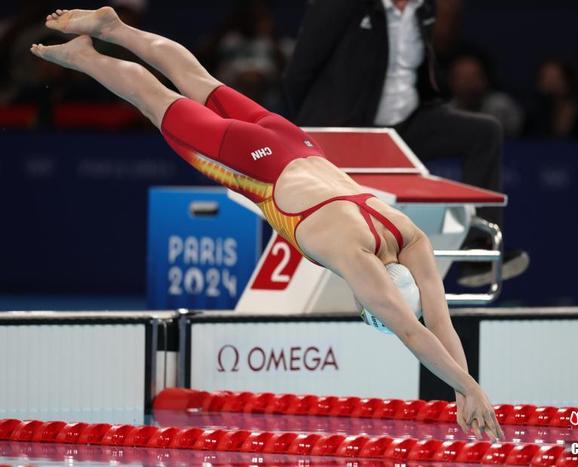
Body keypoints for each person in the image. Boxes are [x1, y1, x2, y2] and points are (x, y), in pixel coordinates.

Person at [30, 6, 503, 440]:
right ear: (372, 296)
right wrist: (470, 387)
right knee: (154, 98)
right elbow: (414, 331)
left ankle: (118, 28)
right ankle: (86, 56)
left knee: (197, 78)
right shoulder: (354, 258)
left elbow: (438, 320)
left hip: (292, 143)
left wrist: (466, 388)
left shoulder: (407, 234)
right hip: (249, 162)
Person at [283, 0, 529, 288]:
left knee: (484, 133)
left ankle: (478, 253)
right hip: (352, 131)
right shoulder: (341, 6)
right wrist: (316, 136)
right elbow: (297, 74)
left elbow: (414, 71)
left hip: (406, 125)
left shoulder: (424, 8)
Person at [448, 52, 524, 138]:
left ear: (486, 79)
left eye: (474, 77)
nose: (469, 84)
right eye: (463, 78)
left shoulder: (502, 106)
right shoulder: (444, 112)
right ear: (451, 82)